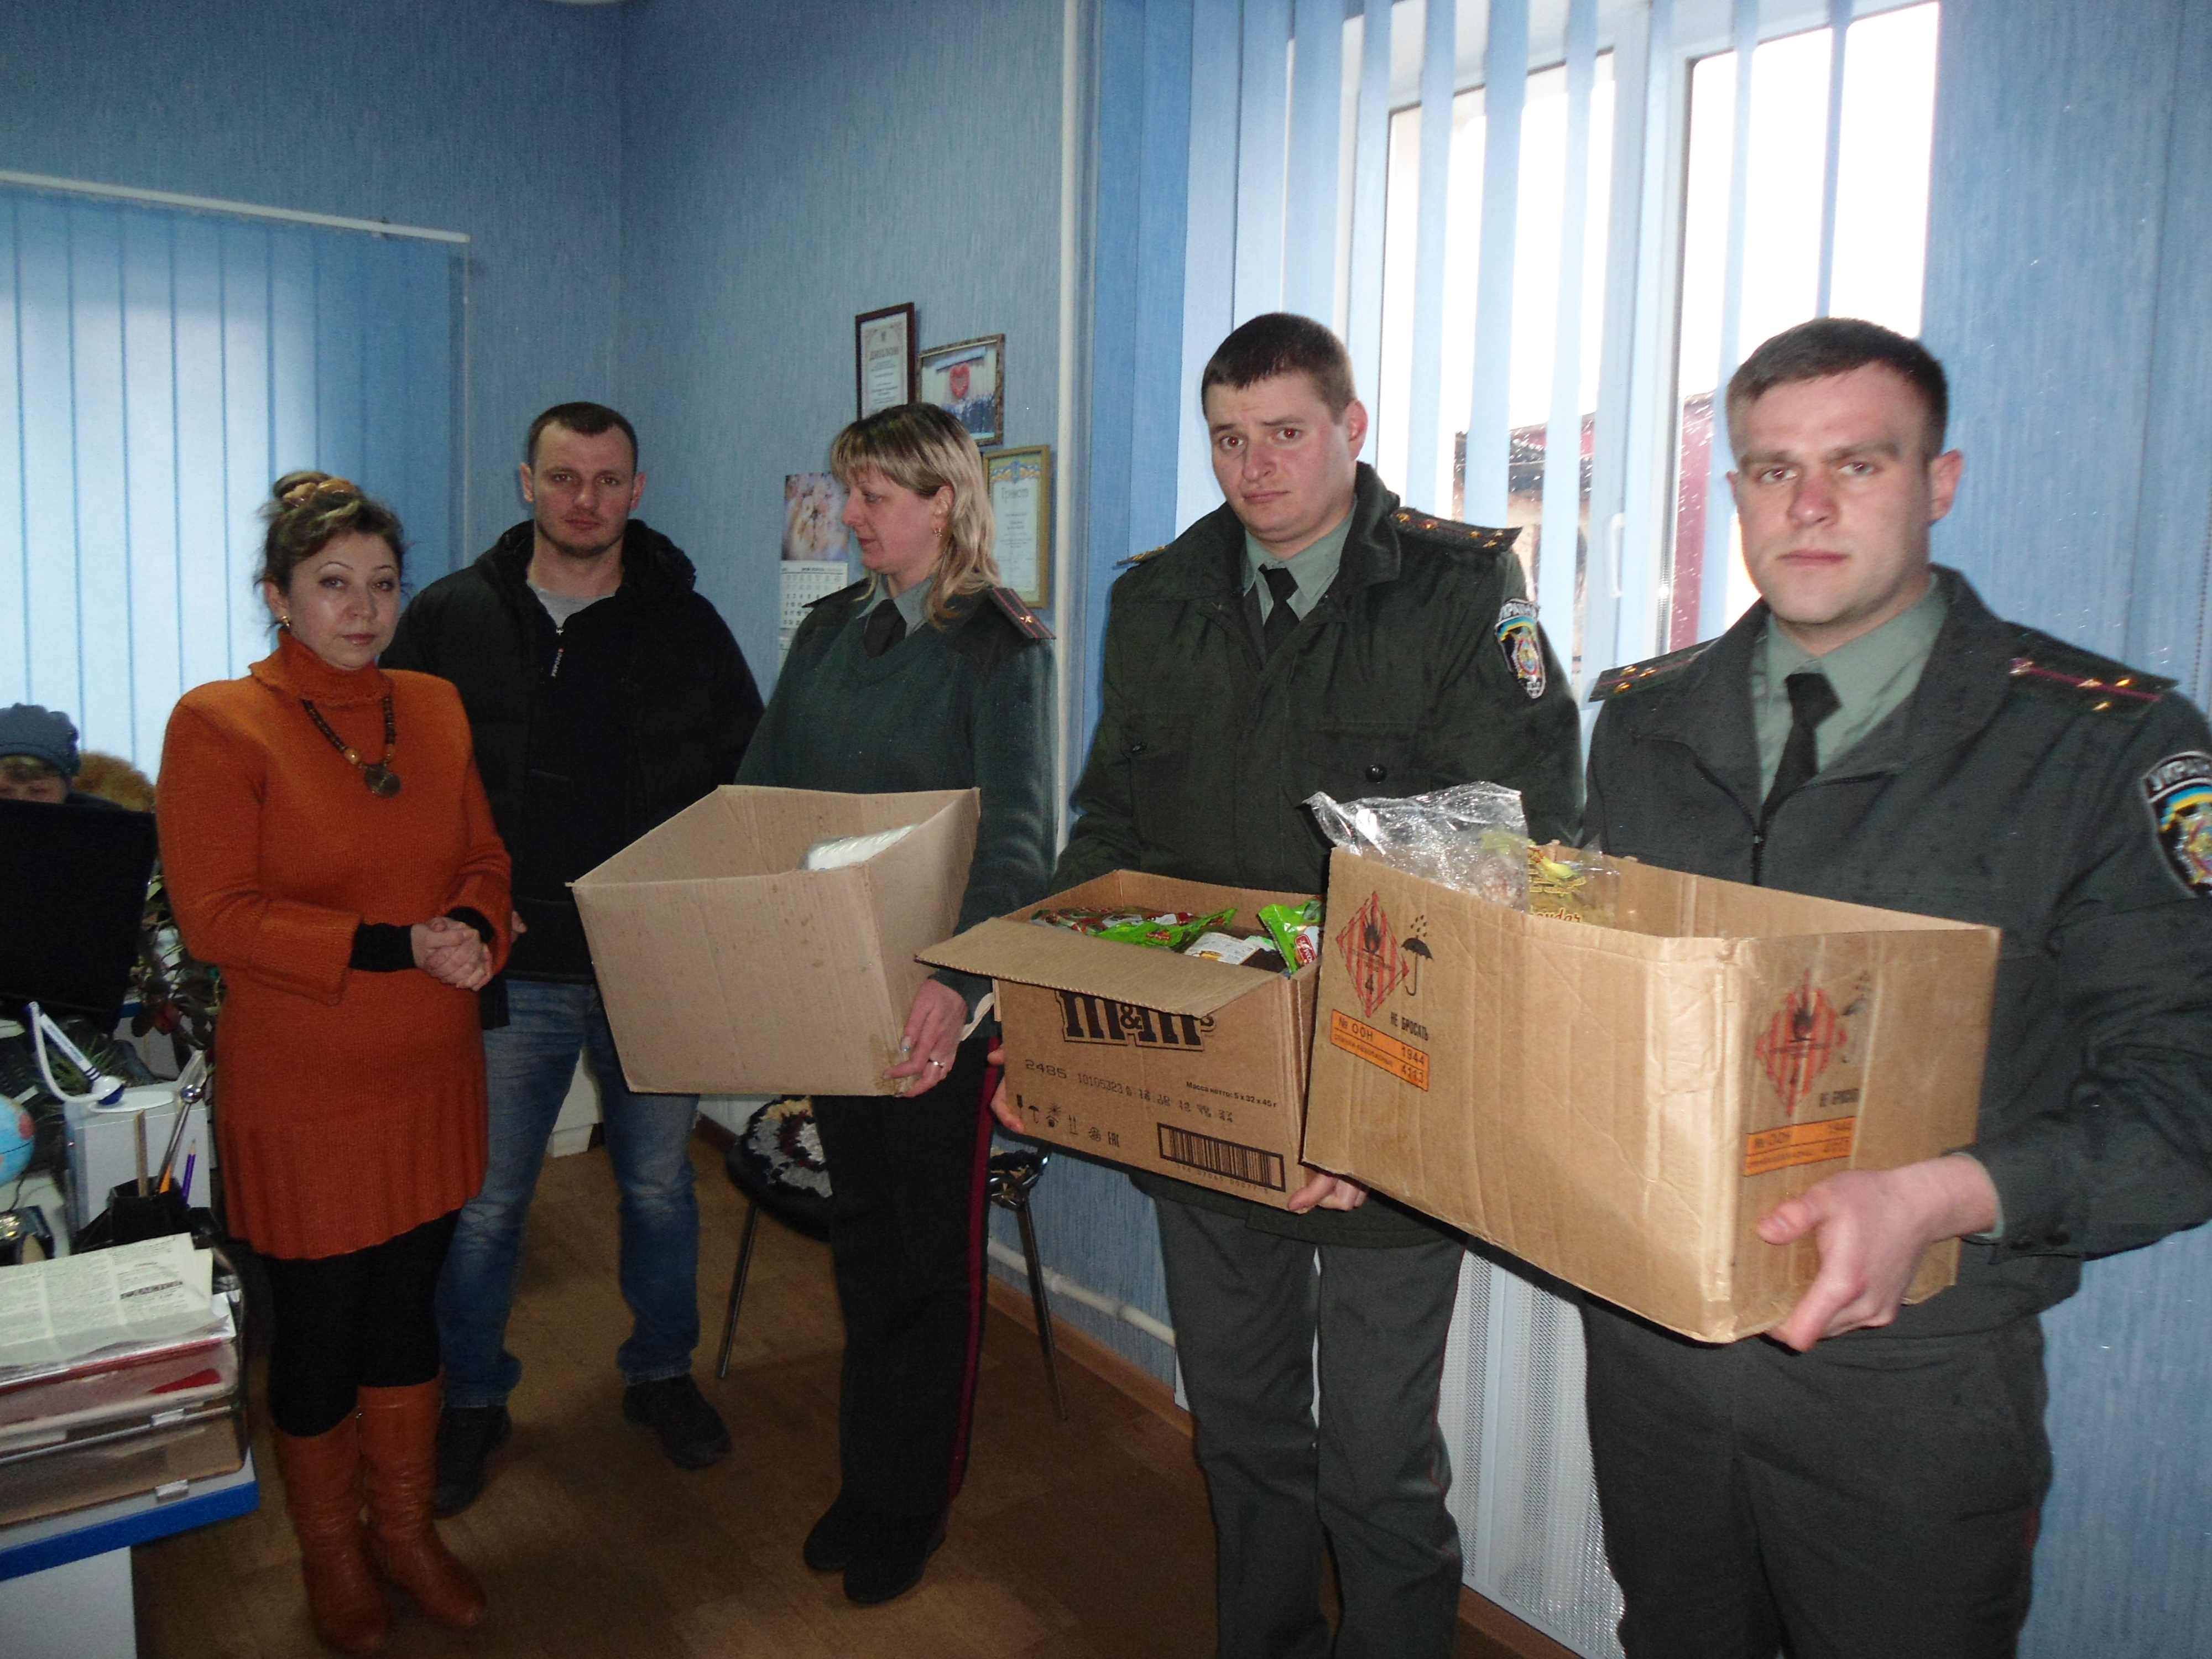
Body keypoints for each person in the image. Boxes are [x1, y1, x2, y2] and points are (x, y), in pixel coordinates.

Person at [1579, 317, 2212, 1658]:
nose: (1806, 507)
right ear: (1734, 488)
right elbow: (1589, 1007)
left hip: (1910, 1379)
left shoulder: (2099, 745)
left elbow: (2184, 1099)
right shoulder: (1642, 721)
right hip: (1654, 1353)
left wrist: (1941, 1193)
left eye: (1856, 465)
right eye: (1771, 470)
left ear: (1939, 482)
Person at [1012, 312, 1582, 1658]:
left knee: (1377, 1463)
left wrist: (1357, 1090)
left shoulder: (1457, 590)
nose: (1252, 468)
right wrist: (1048, 998)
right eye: (1227, 439)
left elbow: (1517, 846)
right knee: (1242, 1427)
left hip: (1387, 1092)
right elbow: (1110, 832)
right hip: (1207, 1080)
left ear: (1350, 428)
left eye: (1282, 433)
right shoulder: (1158, 599)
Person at [380, 403, 764, 1508]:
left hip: (651, 962)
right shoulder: (451, 618)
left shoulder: (686, 626)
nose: (584, 500)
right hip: (509, 965)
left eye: (606, 480)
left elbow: (744, 781)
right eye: (563, 477)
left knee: (659, 1187)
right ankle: (471, 1398)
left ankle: (660, 1375)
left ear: (637, 490)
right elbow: (393, 782)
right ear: (527, 483)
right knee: (488, 1202)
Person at [158, 473, 512, 1654]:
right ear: (278, 597)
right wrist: (396, 944)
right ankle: (332, 1553)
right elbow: (216, 916)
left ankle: (403, 1533)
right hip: (304, 1086)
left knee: (407, 1313)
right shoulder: (220, 723)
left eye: (382, 584)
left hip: (430, 1070)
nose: (362, 609)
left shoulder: (435, 706)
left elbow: (483, 858)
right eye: (332, 584)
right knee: (317, 1330)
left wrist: (477, 928)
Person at [737, 401, 1053, 1606]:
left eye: (874, 495)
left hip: (937, 1004)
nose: (852, 516)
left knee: (929, 1262)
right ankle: (866, 1477)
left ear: (943, 501)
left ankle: (912, 1500)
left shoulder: (997, 644)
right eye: (849, 493)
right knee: (862, 1242)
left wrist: (959, 983)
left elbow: (1019, 837)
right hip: (836, 983)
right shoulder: (830, 633)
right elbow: (762, 794)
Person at [0, 704, 134, 807]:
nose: (22, 800)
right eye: (4, 792)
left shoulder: (113, 829)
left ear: (66, 788)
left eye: (38, 792)